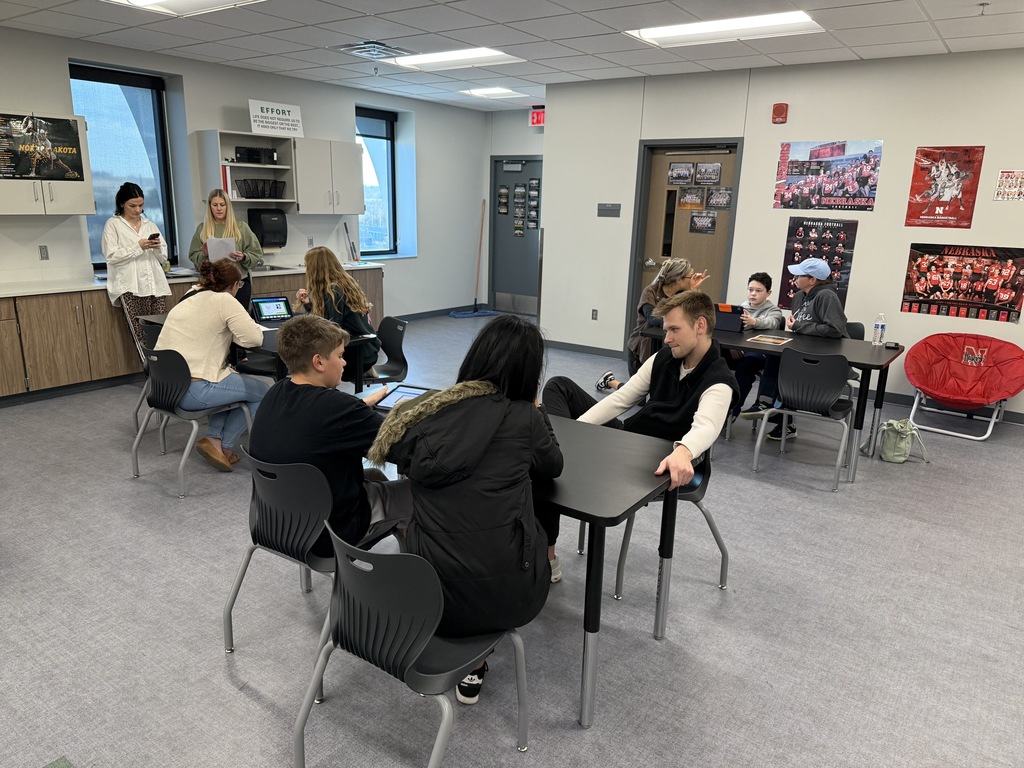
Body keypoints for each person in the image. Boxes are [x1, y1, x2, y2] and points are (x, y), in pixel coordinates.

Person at [367, 314, 562, 706]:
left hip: (425, 589)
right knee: (526, 508)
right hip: (508, 595)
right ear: (529, 373)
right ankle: (486, 638)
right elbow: (553, 465)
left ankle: (471, 660)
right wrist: (536, 407)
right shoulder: (525, 418)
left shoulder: (431, 412)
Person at [540, 290, 738, 571]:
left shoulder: (719, 381)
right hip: (625, 440)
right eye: (666, 329)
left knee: (548, 470)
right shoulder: (664, 358)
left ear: (700, 325)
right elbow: (621, 399)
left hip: (656, 461)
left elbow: (706, 426)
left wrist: (683, 451)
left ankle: (548, 545)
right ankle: (556, 450)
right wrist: (576, 432)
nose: (666, 338)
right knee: (558, 387)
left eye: (674, 329)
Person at [248, 314, 410, 548]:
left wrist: (359, 408)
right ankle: (420, 572)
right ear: (319, 362)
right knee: (422, 495)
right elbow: (404, 447)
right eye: (340, 355)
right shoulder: (339, 409)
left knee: (373, 477)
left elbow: (315, 421)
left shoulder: (275, 392)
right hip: (328, 534)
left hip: (276, 524)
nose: (344, 363)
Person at [154, 260, 268, 472]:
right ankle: (225, 447)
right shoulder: (225, 300)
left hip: (165, 388)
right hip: (194, 390)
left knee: (226, 378)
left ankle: (214, 439)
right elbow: (254, 339)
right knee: (263, 392)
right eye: (239, 285)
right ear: (234, 285)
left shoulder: (191, 297)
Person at [739, 258, 849, 440]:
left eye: (799, 275)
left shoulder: (827, 296)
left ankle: (771, 408)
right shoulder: (799, 297)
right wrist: (797, 326)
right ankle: (770, 408)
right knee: (778, 357)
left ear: (812, 280)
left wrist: (799, 326)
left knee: (784, 365)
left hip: (824, 358)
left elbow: (835, 330)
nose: (794, 278)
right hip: (801, 351)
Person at [610, 258, 710, 390]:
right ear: (679, 279)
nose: (693, 278)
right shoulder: (650, 292)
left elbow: (696, 314)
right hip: (641, 347)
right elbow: (653, 318)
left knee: (660, 390)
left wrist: (694, 290)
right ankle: (611, 382)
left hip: (666, 346)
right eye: (690, 276)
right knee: (637, 394)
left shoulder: (683, 295)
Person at [102, 181, 171, 358]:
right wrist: (138, 246)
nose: (138, 210)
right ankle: (150, 373)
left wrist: (155, 247)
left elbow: (163, 258)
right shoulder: (113, 224)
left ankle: (164, 374)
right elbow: (111, 256)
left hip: (155, 286)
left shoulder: (150, 225)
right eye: (133, 206)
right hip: (130, 287)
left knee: (161, 332)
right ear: (121, 204)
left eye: (141, 205)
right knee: (140, 334)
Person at [295, 247, 381, 381]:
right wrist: (308, 304)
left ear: (315, 269)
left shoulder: (334, 291)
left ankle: (322, 399)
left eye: (307, 266)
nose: (306, 270)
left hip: (357, 355)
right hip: (367, 350)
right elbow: (327, 320)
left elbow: (328, 328)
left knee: (309, 365)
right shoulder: (344, 284)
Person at [188, 189, 262, 309]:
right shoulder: (202, 229)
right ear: (210, 207)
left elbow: (256, 253)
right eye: (215, 205)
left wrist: (243, 257)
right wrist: (204, 254)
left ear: (228, 206)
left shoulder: (241, 227)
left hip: (238, 284)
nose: (219, 209)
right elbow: (193, 256)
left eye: (222, 205)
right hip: (212, 284)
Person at [725, 272, 784, 418]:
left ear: (768, 293)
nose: (753, 294)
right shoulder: (739, 308)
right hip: (738, 351)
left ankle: (732, 412)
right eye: (750, 289)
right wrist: (733, 346)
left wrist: (754, 322)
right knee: (712, 359)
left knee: (745, 368)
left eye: (758, 291)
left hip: (758, 354)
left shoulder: (774, 311)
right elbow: (731, 331)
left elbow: (772, 323)